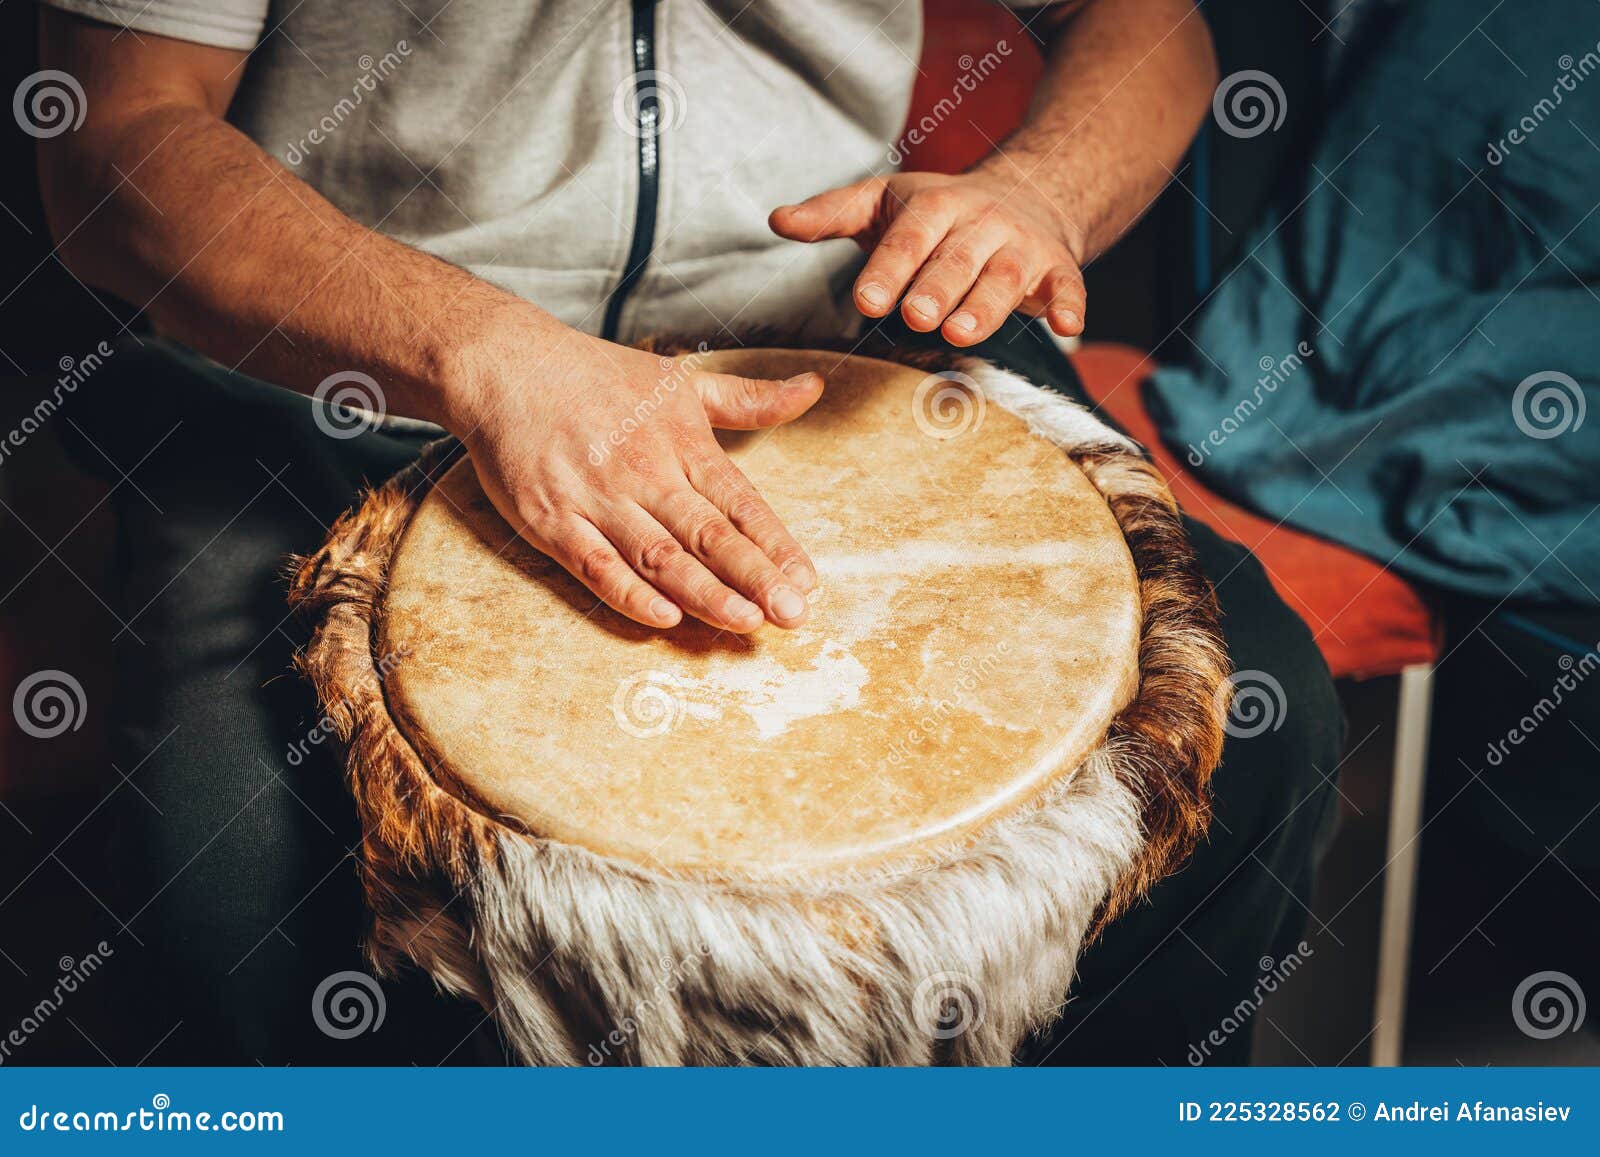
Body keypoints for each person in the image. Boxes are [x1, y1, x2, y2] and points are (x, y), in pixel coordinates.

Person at [33, 0, 1340, 1064]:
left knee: (1262, 717)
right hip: (368, 350)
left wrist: (1040, 192)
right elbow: (116, 139)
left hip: (833, 321)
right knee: (230, 870)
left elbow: (1154, 26)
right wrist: (485, 355)